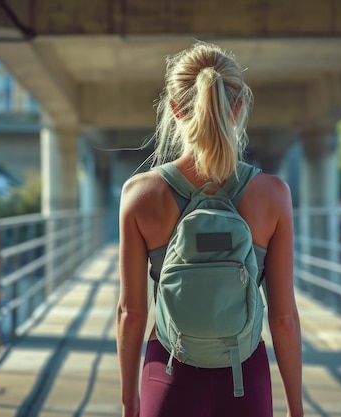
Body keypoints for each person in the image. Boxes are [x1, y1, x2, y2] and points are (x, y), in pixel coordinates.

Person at [116, 41, 303, 417]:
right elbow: (283, 317)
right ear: (238, 108)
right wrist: (296, 409)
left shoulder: (140, 194)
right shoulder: (272, 194)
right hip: (244, 380)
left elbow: (130, 313)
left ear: (173, 109)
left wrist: (130, 402)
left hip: (167, 376)